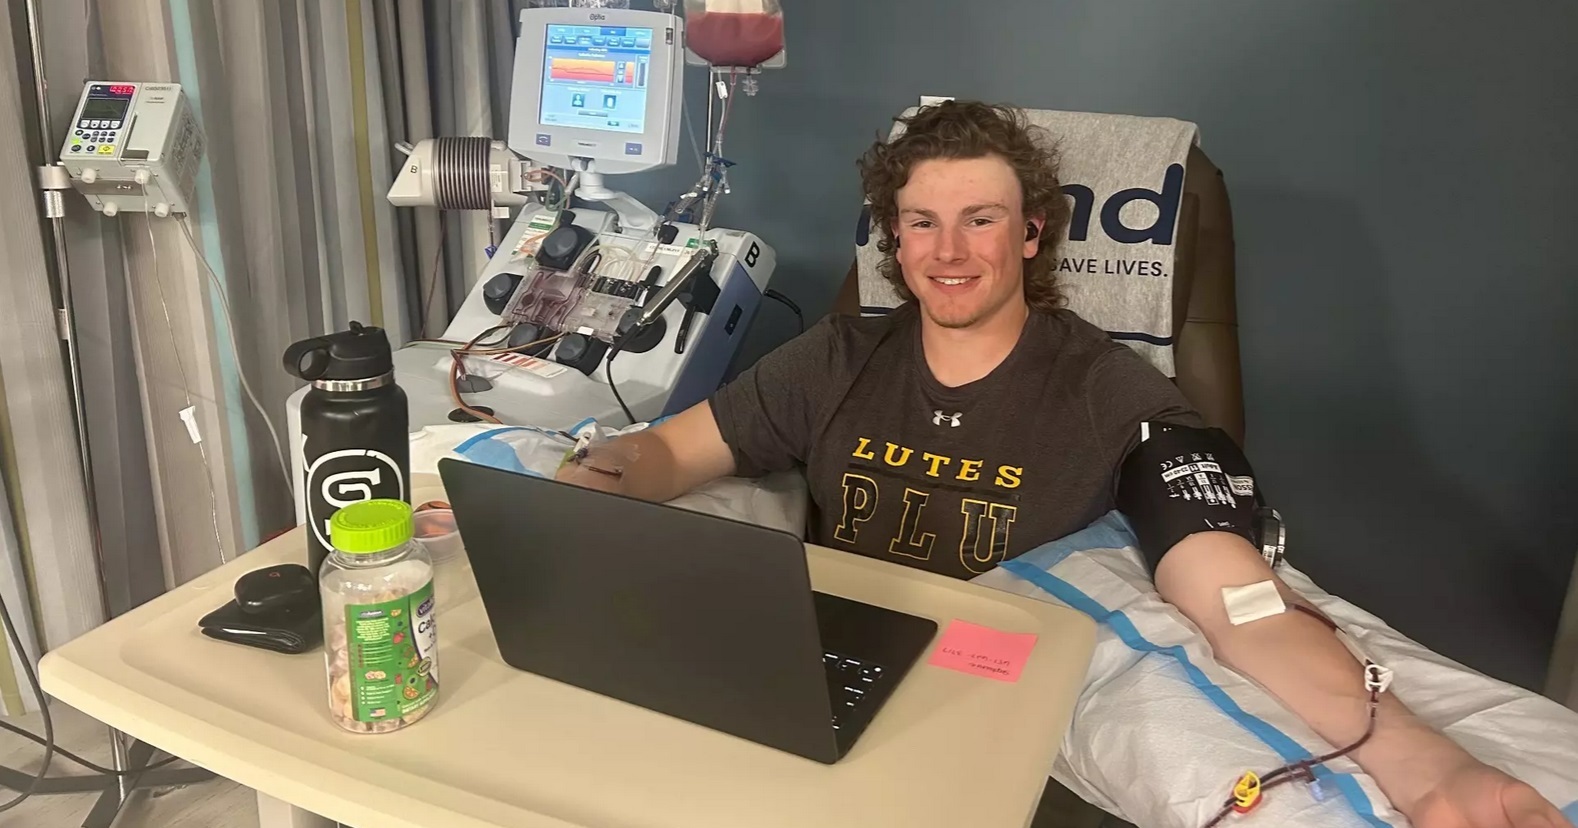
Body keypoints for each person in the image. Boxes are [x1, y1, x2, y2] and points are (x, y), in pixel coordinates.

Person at [557, 101, 1567, 828]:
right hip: (815, 676)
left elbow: (1237, 602)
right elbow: (664, 453)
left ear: (1034, 233)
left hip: (987, 716)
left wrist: (1429, 769)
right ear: (892, 238)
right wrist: (581, 491)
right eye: (922, 221)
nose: (949, 250)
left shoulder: (1110, 393)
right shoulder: (835, 356)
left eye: (981, 218)